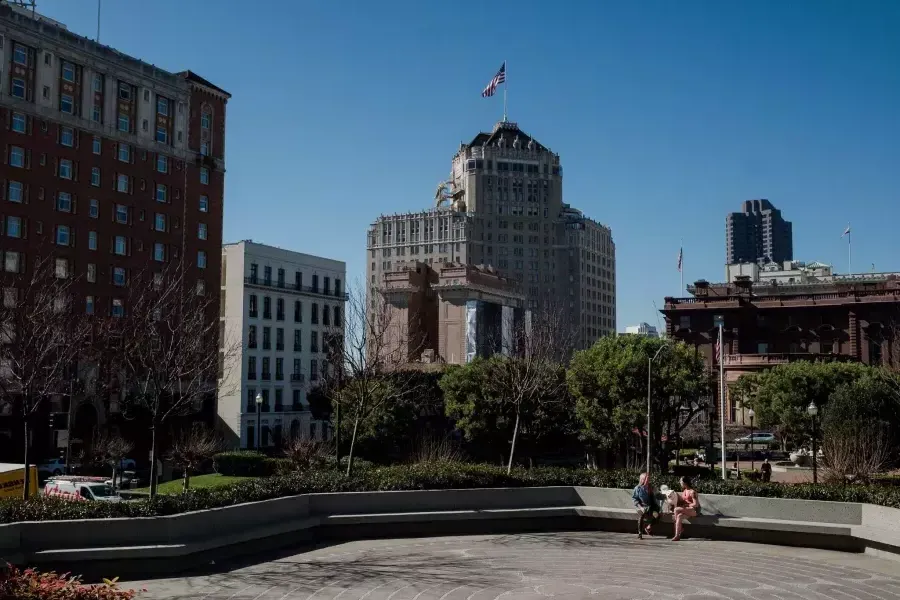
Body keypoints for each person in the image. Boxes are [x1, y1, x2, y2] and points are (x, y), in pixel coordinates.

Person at [672, 476, 700, 542]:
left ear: (684, 483)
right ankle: (677, 535)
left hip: (694, 511)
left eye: (680, 481)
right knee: (679, 516)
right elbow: (683, 501)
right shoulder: (684, 491)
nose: (679, 483)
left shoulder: (692, 492)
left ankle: (679, 529)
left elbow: (696, 504)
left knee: (676, 510)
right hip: (686, 510)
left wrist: (686, 505)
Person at [632, 472, 659, 539]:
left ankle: (648, 527)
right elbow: (635, 499)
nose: (648, 480)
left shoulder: (652, 487)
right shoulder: (637, 488)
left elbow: (658, 496)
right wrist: (641, 508)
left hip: (651, 507)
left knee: (657, 515)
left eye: (648, 478)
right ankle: (640, 533)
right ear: (642, 480)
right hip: (641, 506)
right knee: (641, 515)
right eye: (646, 478)